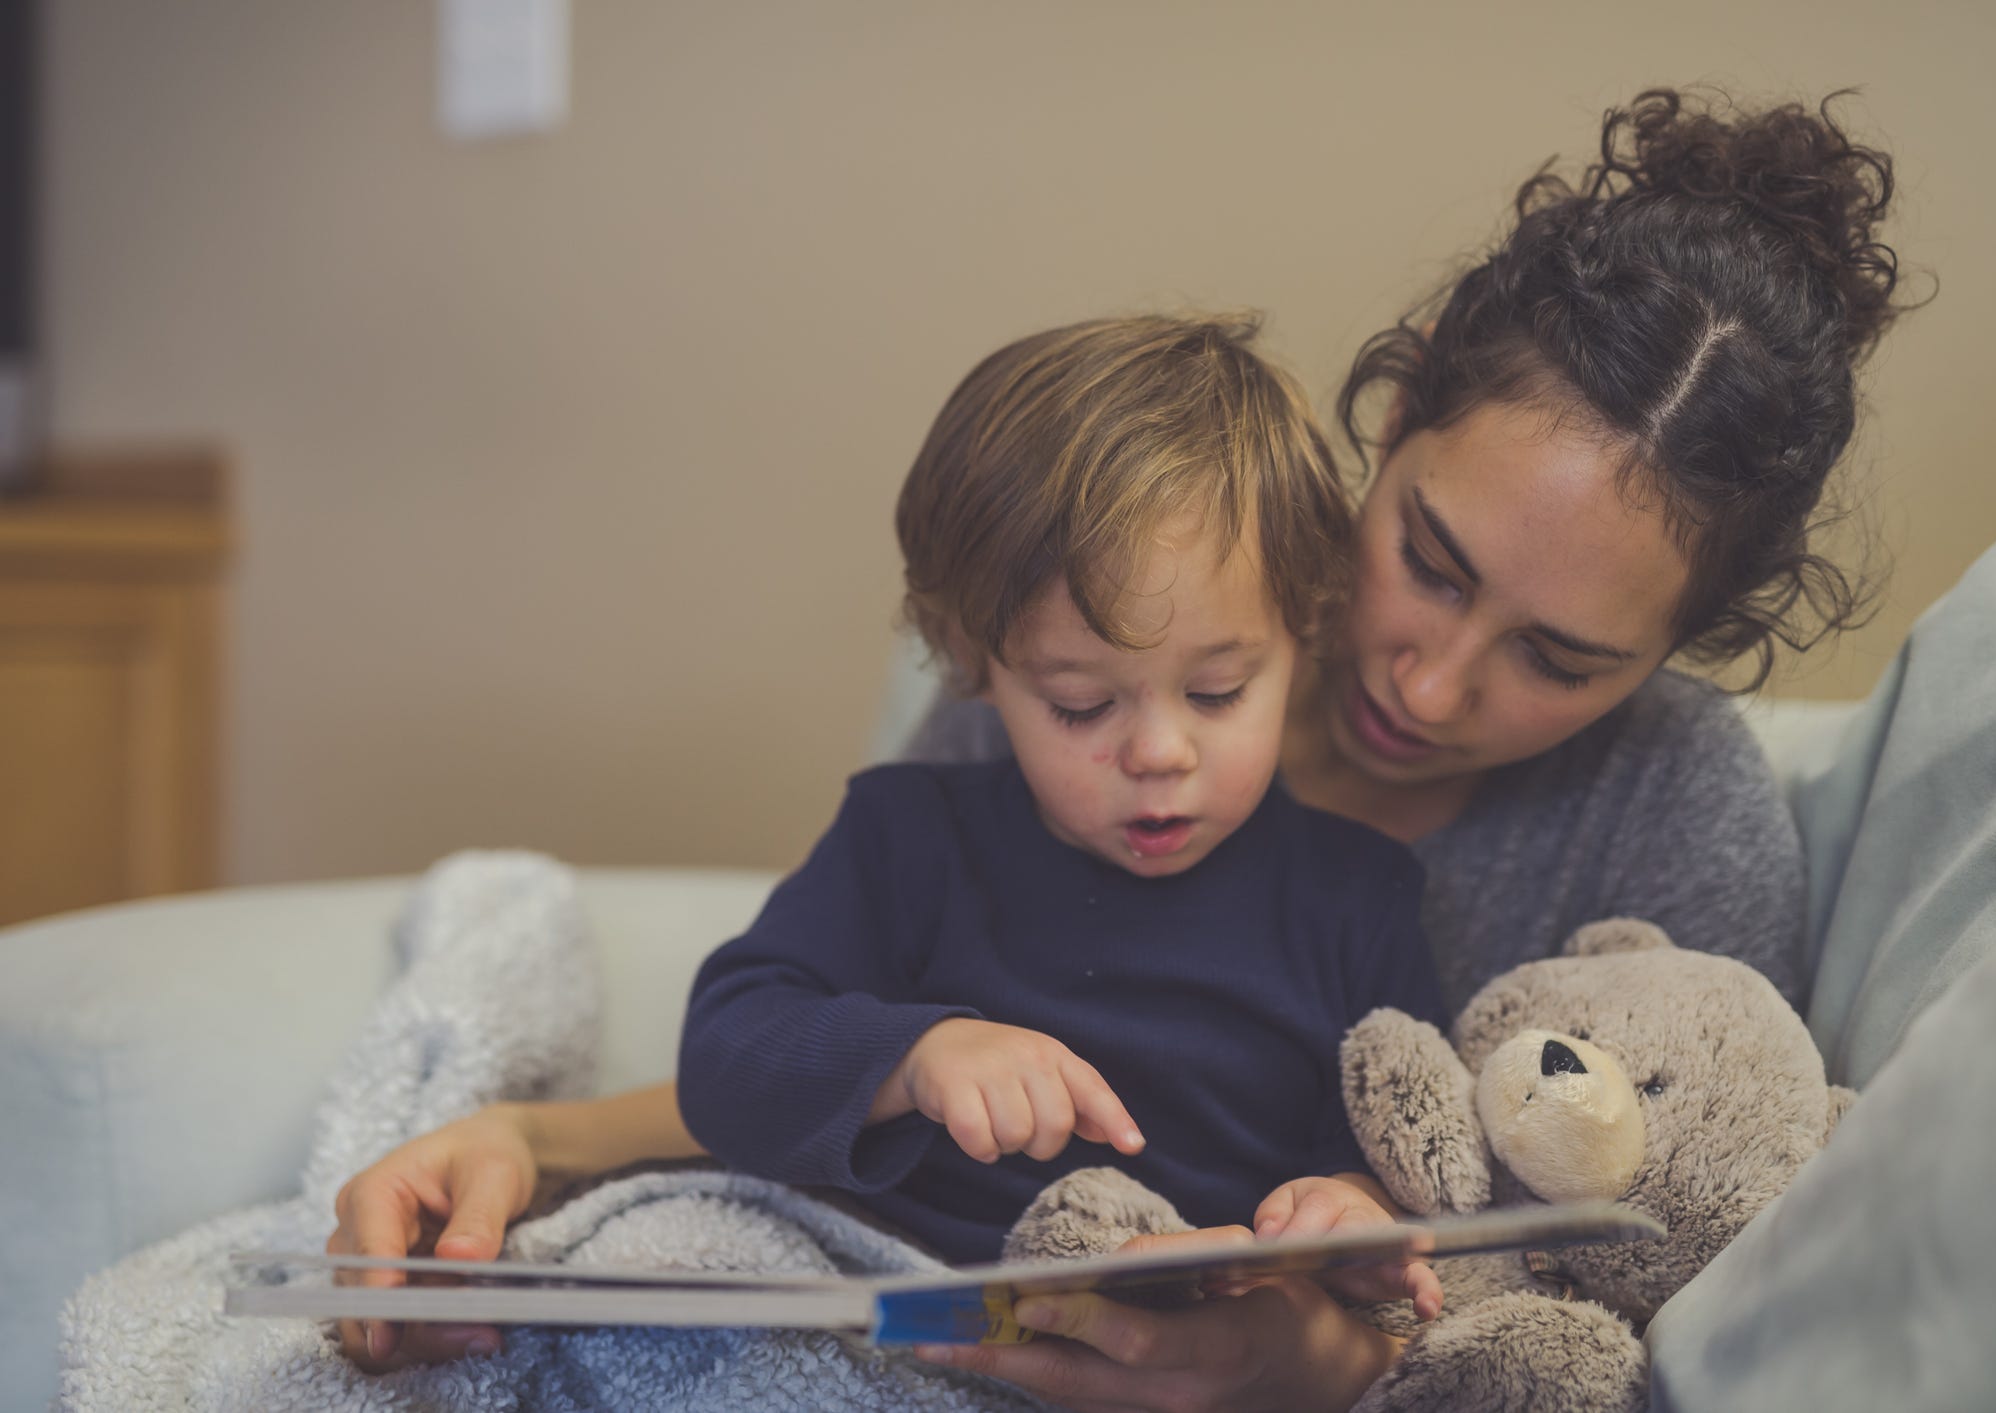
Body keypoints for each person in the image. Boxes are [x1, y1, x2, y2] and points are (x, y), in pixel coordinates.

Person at [330, 87, 1911, 1411]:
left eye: (1558, 659)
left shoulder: (1640, 827)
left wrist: (1317, 1329)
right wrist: (531, 1142)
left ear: (1677, 648)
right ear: (1400, 398)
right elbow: (826, 1036)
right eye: (1426, 561)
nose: (1429, 687)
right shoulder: (1087, 614)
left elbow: (1638, 1248)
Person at [675, 313, 1447, 1270]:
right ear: (973, 662)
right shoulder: (907, 840)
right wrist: (917, 1058)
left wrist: (1349, 1206)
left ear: (1306, 631)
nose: (1160, 751)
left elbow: (1399, 1153)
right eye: (1081, 704)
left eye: (1216, 692)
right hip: (923, 1315)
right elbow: (722, 1064)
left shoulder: (1357, 900)